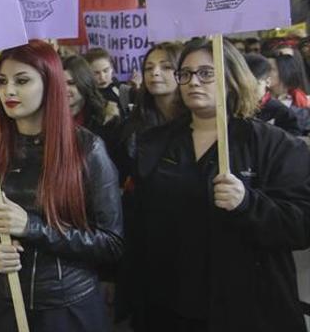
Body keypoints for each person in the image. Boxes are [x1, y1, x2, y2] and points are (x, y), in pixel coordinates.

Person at [129, 38, 310, 332]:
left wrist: (248, 204)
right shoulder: (155, 143)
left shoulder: (275, 145)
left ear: (231, 78)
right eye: (185, 74)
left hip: (248, 307)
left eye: (206, 73)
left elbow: (301, 224)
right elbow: (139, 223)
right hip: (170, 304)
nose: (193, 82)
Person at [0, 41, 124, 332]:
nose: (8, 91)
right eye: (2, 81)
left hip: (66, 308)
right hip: (2, 305)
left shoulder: (88, 149)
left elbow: (111, 243)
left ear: (49, 83)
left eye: (22, 81)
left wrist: (32, 227)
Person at [114, 42, 186, 179]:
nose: (155, 73)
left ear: (183, 72)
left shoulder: (197, 123)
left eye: (166, 67)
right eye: (148, 68)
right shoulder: (132, 128)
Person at [62, 55, 121, 160]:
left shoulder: (106, 119)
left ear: (84, 82)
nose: (64, 89)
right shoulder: (47, 118)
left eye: (71, 83)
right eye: (59, 84)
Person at [243, 54, 302, 136]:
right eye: (243, 85)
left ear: (267, 82)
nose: (249, 89)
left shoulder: (282, 112)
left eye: (255, 84)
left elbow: (293, 143)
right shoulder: (233, 108)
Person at [84, 48, 133, 118]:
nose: (102, 77)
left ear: (112, 69)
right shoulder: (87, 97)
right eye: (96, 73)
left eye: (105, 71)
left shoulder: (120, 87)